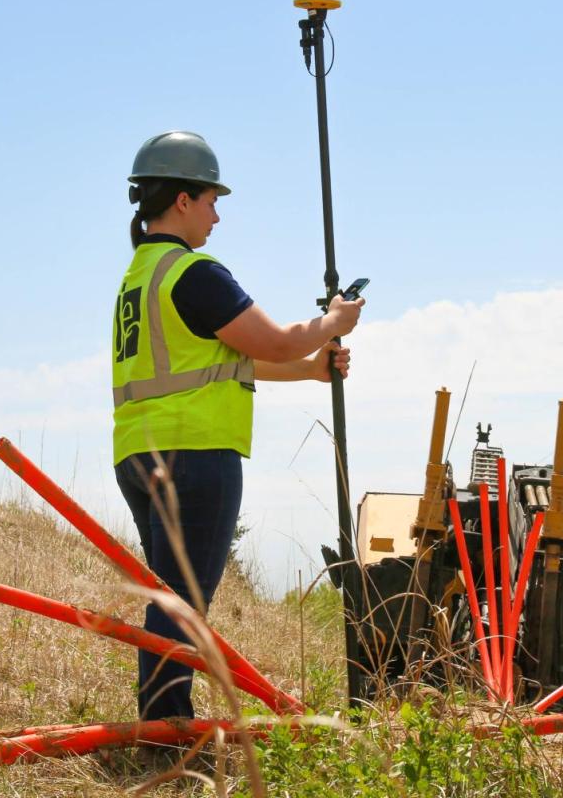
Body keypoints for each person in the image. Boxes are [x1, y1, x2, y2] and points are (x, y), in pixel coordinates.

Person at [112, 130, 364, 720]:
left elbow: (221, 360)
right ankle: (167, 721)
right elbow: (274, 338)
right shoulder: (193, 272)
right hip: (195, 454)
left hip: (138, 453)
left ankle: (164, 712)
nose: (216, 215)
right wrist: (333, 321)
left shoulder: (139, 277)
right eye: (210, 201)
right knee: (182, 600)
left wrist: (309, 372)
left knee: (171, 594)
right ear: (181, 200)